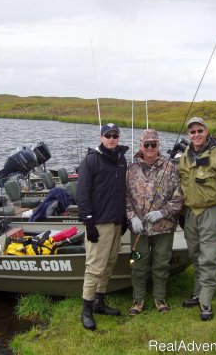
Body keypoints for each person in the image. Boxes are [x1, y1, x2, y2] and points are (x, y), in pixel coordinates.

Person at [178, 117, 216, 321]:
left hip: (211, 212)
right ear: (188, 135)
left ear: (207, 132)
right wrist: (180, 214)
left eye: (199, 131)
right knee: (195, 256)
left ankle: (205, 301)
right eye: (192, 132)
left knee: (209, 258)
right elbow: (181, 188)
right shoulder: (184, 157)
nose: (196, 135)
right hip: (190, 213)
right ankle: (198, 293)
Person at [76, 122, 129, 331]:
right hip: (98, 223)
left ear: (119, 138)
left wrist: (123, 217)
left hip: (116, 222)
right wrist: (88, 222)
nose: (111, 139)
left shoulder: (121, 160)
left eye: (115, 135)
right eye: (108, 135)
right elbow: (82, 195)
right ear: (101, 137)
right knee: (95, 268)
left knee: (109, 264)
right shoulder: (90, 161)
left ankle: (100, 302)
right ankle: (86, 310)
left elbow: (121, 191)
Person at [126, 129, 183, 315]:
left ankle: (159, 298)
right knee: (137, 262)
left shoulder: (170, 168)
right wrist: (132, 216)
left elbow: (178, 198)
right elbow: (124, 198)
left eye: (154, 144)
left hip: (163, 227)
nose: (150, 147)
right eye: (146, 144)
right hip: (139, 230)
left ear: (159, 145)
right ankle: (138, 299)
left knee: (161, 263)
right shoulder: (130, 169)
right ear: (140, 145)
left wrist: (162, 212)